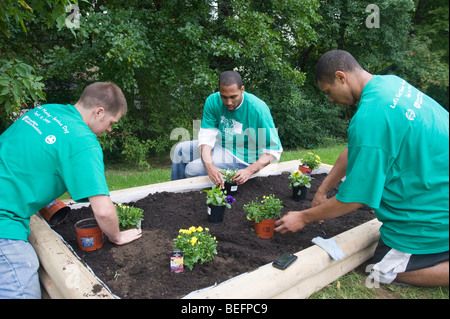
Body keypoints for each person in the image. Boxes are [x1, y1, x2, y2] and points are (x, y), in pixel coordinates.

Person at [275, 50, 449, 287]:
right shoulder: (390, 85)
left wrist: (304, 217)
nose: (330, 100)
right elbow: (357, 148)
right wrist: (322, 190)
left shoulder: (371, 115)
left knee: (381, 272)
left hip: (432, 215)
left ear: (341, 77)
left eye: (328, 92)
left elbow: (355, 199)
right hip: (436, 184)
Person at [0, 82, 142, 299]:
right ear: (99, 112)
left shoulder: (44, 111)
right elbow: (103, 211)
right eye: (112, 122)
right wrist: (116, 236)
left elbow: (25, 160)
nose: (110, 129)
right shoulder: (83, 141)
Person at [171, 71, 283, 186]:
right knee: (180, 150)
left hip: (243, 157)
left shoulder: (258, 109)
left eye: (233, 97)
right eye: (224, 97)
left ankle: (196, 195)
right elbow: (206, 137)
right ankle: (173, 192)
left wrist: (249, 170)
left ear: (242, 89)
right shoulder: (213, 101)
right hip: (221, 145)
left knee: (192, 169)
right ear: (219, 90)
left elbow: (275, 150)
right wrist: (210, 167)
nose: (229, 102)